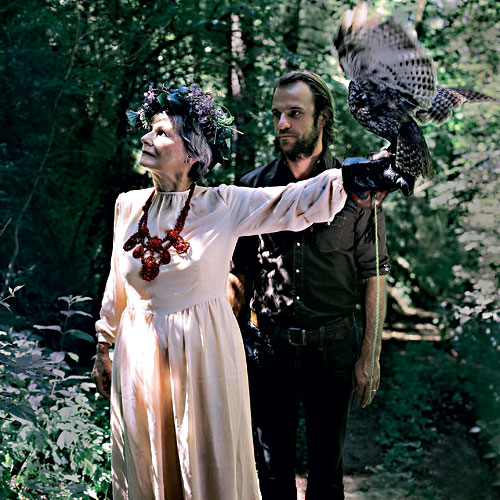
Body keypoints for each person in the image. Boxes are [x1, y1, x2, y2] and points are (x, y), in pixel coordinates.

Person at [91, 82, 404, 500]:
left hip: (201, 357)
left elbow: (294, 201)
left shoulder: (222, 204)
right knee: (147, 464)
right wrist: (104, 342)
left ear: (192, 153)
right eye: (150, 130)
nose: (147, 138)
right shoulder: (128, 205)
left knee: (203, 466)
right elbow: (118, 281)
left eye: (161, 132)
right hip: (140, 358)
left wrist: (352, 175)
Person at [227, 70, 395, 500]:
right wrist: (228, 349)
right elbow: (237, 278)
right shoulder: (252, 189)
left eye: (295, 113)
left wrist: (370, 355)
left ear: (322, 118)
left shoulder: (358, 187)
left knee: (327, 477)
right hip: (268, 350)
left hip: (333, 348)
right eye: (277, 114)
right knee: (270, 475)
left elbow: (374, 273)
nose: (282, 124)